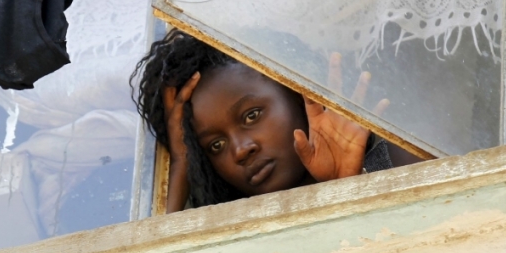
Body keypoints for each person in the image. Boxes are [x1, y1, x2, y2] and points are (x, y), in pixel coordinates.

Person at [131, 29, 413, 213]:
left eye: (251, 116)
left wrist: (347, 186)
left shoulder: (395, 159)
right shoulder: (240, 236)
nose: (241, 150)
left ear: (296, 91)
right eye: (215, 145)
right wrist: (182, 166)